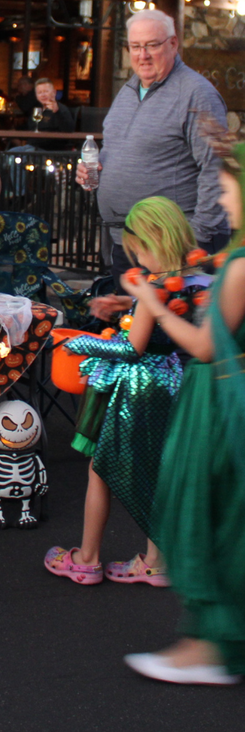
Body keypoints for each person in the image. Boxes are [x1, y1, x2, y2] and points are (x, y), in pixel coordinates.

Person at [120, 145, 245, 685]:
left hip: (217, 401)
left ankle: (207, 649)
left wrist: (149, 303)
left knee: (202, 512)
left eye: (228, 190)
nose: (221, 200)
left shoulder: (239, 266)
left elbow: (204, 346)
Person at [44, 197, 210, 588]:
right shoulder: (190, 280)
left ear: (149, 241)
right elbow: (160, 320)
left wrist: (83, 344)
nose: (137, 257)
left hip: (138, 388)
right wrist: (128, 304)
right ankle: (156, 561)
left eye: (137, 249)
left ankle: (87, 559)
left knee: (101, 467)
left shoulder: (153, 286)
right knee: (157, 468)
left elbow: (132, 348)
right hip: (169, 379)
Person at [79, 9, 229, 318]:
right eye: (135, 46)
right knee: (132, 332)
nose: (142, 55)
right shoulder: (129, 89)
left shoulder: (197, 94)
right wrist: (95, 169)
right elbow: (121, 149)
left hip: (174, 247)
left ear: (173, 44)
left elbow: (216, 169)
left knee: (172, 336)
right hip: (130, 243)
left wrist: (195, 238)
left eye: (152, 45)